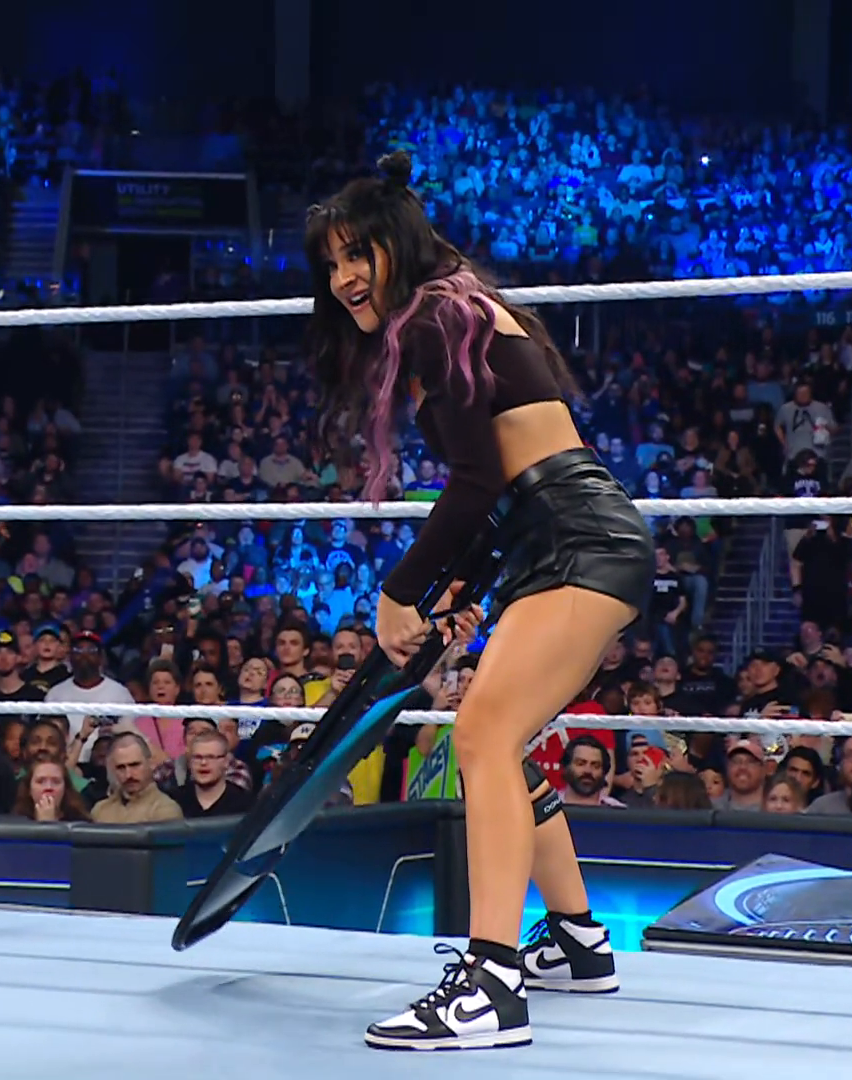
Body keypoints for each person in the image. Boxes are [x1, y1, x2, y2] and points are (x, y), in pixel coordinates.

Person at [311, 153, 653, 1051]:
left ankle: (491, 985)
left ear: (398, 244)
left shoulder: (434, 318)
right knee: (501, 740)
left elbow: (475, 480)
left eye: (358, 254)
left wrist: (401, 593)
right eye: (332, 262)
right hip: (559, 539)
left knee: (481, 736)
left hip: (577, 540)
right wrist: (464, 583)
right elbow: (506, 478)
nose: (344, 278)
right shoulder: (458, 306)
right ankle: (577, 941)